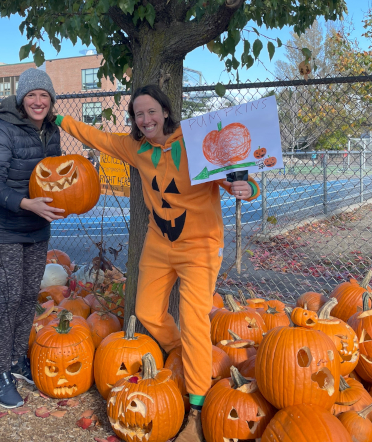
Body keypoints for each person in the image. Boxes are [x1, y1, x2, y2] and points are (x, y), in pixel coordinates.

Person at [55, 85, 260, 442]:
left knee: (195, 319)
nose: (146, 119)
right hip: (159, 243)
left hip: (200, 246)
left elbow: (237, 179)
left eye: (151, 112)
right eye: (139, 114)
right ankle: (186, 353)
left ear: (165, 111)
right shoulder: (137, 149)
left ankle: (195, 410)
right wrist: (58, 117)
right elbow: (96, 137)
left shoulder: (198, 143)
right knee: (148, 312)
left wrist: (249, 189)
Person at [0, 68, 64, 408]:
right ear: (21, 99)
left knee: (29, 296)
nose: (38, 101)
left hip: (36, 227)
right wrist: (25, 203)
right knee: (11, 296)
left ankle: (16, 360)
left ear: (51, 101)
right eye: (32, 95)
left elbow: (55, 177)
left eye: (44, 95)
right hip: (3, 228)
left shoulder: (52, 132)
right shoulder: (1, 131)